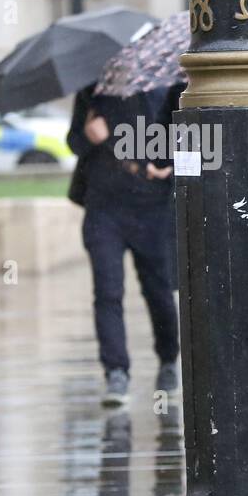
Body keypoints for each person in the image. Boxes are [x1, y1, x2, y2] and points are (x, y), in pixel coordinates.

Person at [68, 82, 183, 408]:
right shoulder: (93, 91)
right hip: (104, 209)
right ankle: (116, 371)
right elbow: (74, 141)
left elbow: (177, 143)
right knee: (107, 292)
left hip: (152, 208)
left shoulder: (165, 89)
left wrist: (166, 166)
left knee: (158, 290)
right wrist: (89, 137)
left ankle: (167, 360)